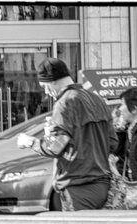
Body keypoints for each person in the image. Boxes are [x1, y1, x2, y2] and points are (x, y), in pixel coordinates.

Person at [16, 58, 113, 211]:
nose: (46, 92)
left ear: (53, 81)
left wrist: (30, 142)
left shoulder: (64, 103)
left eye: (45, 86)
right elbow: (113, 142)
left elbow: (55, 147)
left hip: (77, 186)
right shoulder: (97, 100)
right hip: (102, 185)